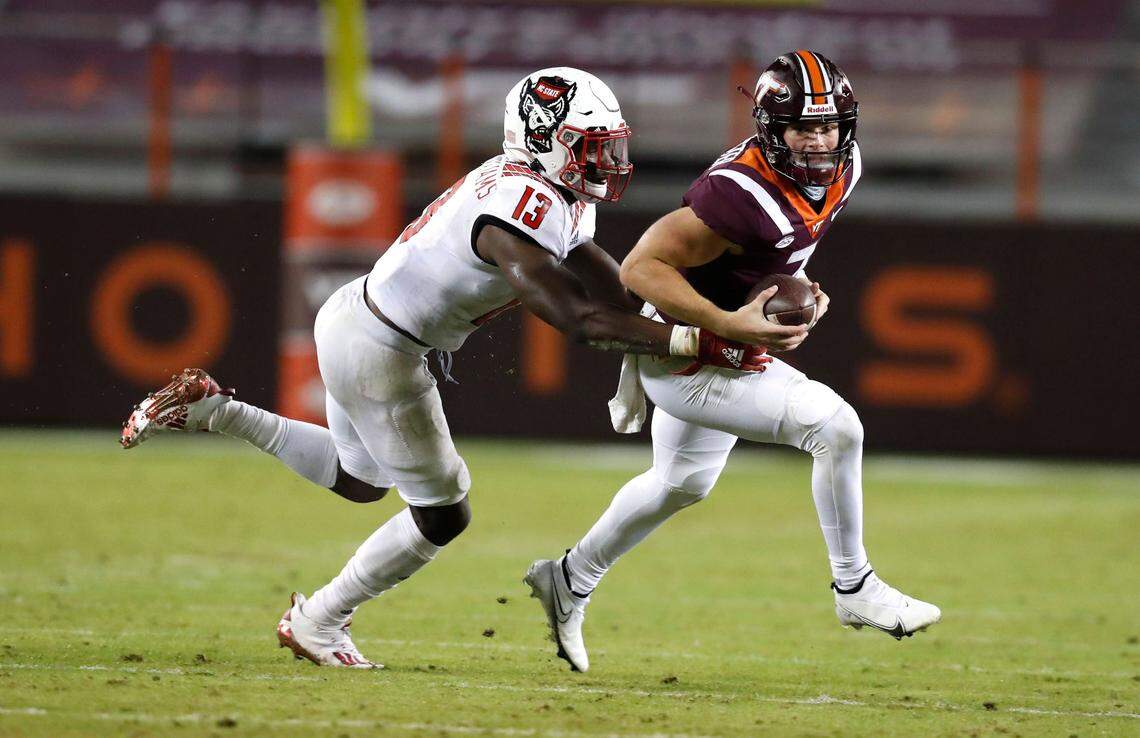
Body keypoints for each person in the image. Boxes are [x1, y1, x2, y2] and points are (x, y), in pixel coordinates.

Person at [120, 67, 801, 669]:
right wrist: (695, 345)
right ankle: (319, 619)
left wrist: (663, 341)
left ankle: (213, 409)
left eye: (611, 145)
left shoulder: (549, 192)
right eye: (593, 147)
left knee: (362, 481)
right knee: (444, 513)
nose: (609, 161)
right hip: (384, 347)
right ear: (544, 140)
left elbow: (616, 289)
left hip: (357, 318)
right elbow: (575, 318)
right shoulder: (520, 204)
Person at [525, 51, 941, 673]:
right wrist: (724, 322)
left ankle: (569, 578)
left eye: (829, 125)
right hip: (693, 356)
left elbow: (782, 252)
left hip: (724, 344)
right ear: (772, 131)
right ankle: (854, 587)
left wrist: (802, 294)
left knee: (679, 484)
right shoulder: (737, 194)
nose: (820, 140)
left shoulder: (843, 168)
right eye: (802, 127)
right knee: (836, 428)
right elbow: (640, 269)